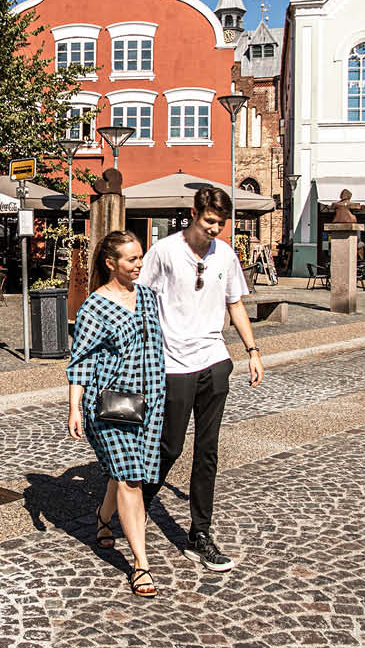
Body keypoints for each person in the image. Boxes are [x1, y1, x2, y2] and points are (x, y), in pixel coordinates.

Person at [138, 187, 264, 573]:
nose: (215, 229)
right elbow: (141, 302)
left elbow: (235, 304)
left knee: (207, 450)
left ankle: (200, 534)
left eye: (221, 224)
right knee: (170, 446)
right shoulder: (164, 252)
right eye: (210, 221)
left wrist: (252, 350)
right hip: (173, 364)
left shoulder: (225, 254)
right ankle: (136, 504)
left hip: (214, 362)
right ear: (194, 213)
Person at [67, 230, 166, 598]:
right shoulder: (95, 305)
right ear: (111, 263)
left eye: (141, 257)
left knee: (125, 473)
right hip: (110, 404)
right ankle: (141, 564)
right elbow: (81, 361)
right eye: (131, 259)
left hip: (151, 400)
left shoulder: (150, 298)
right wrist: (74, 407)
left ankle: (102, 519)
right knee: (130, 479)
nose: (139, 264)